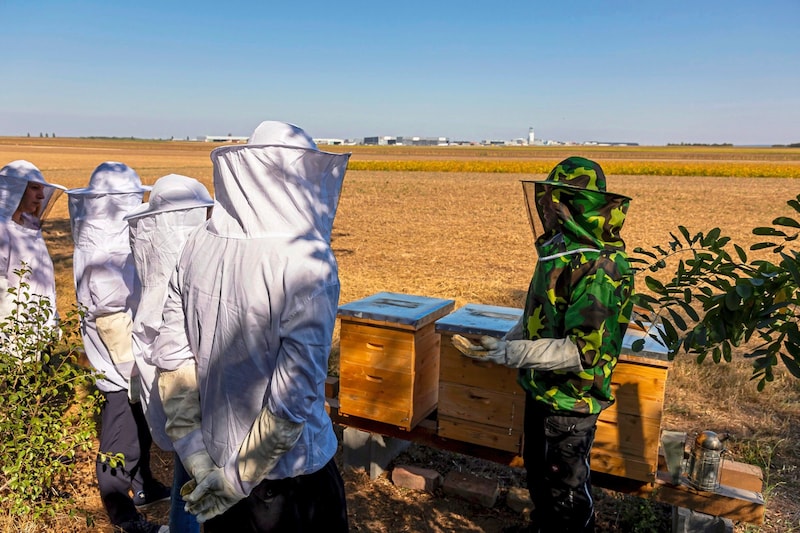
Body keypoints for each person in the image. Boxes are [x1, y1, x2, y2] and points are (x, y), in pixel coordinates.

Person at [151, 121, 350, 532]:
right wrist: (232, 482)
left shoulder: (197, 244)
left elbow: (172, 359)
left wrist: (201, 462)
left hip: (217, 472)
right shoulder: (308, 265)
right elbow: (291, 405)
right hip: (293, 487)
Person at [452, 156, 634, 533]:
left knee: (564, 494)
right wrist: (507, 340)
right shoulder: (563, 251)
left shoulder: (600, 267)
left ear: (571, 204)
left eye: (553, 201)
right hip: (542, 391)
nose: (546, 209)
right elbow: (543, 313)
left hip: (569, 404)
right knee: (540, 478)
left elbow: (582, 352)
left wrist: (509, 353)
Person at [67, 161, 170, 533]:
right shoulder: (104, 244)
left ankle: (144, 487)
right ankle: (122, 514)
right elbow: (110, 315)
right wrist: (132, 367)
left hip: (124, 353)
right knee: (120, 436)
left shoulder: (101, 234)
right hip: (117, 359)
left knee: (137, 423)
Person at [124, 173, 214, 533]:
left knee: (185, 473)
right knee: (195, 478)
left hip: (177, 393)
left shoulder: (155, 263)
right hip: (195, 393)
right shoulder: (183, 269)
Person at [0, 160, 65, 333]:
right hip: (14, 330)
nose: (42, 196)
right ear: (14, 189)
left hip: (38, 324)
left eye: (42, 189)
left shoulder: (29, 225)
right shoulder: (2, 229)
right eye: (35, 188)